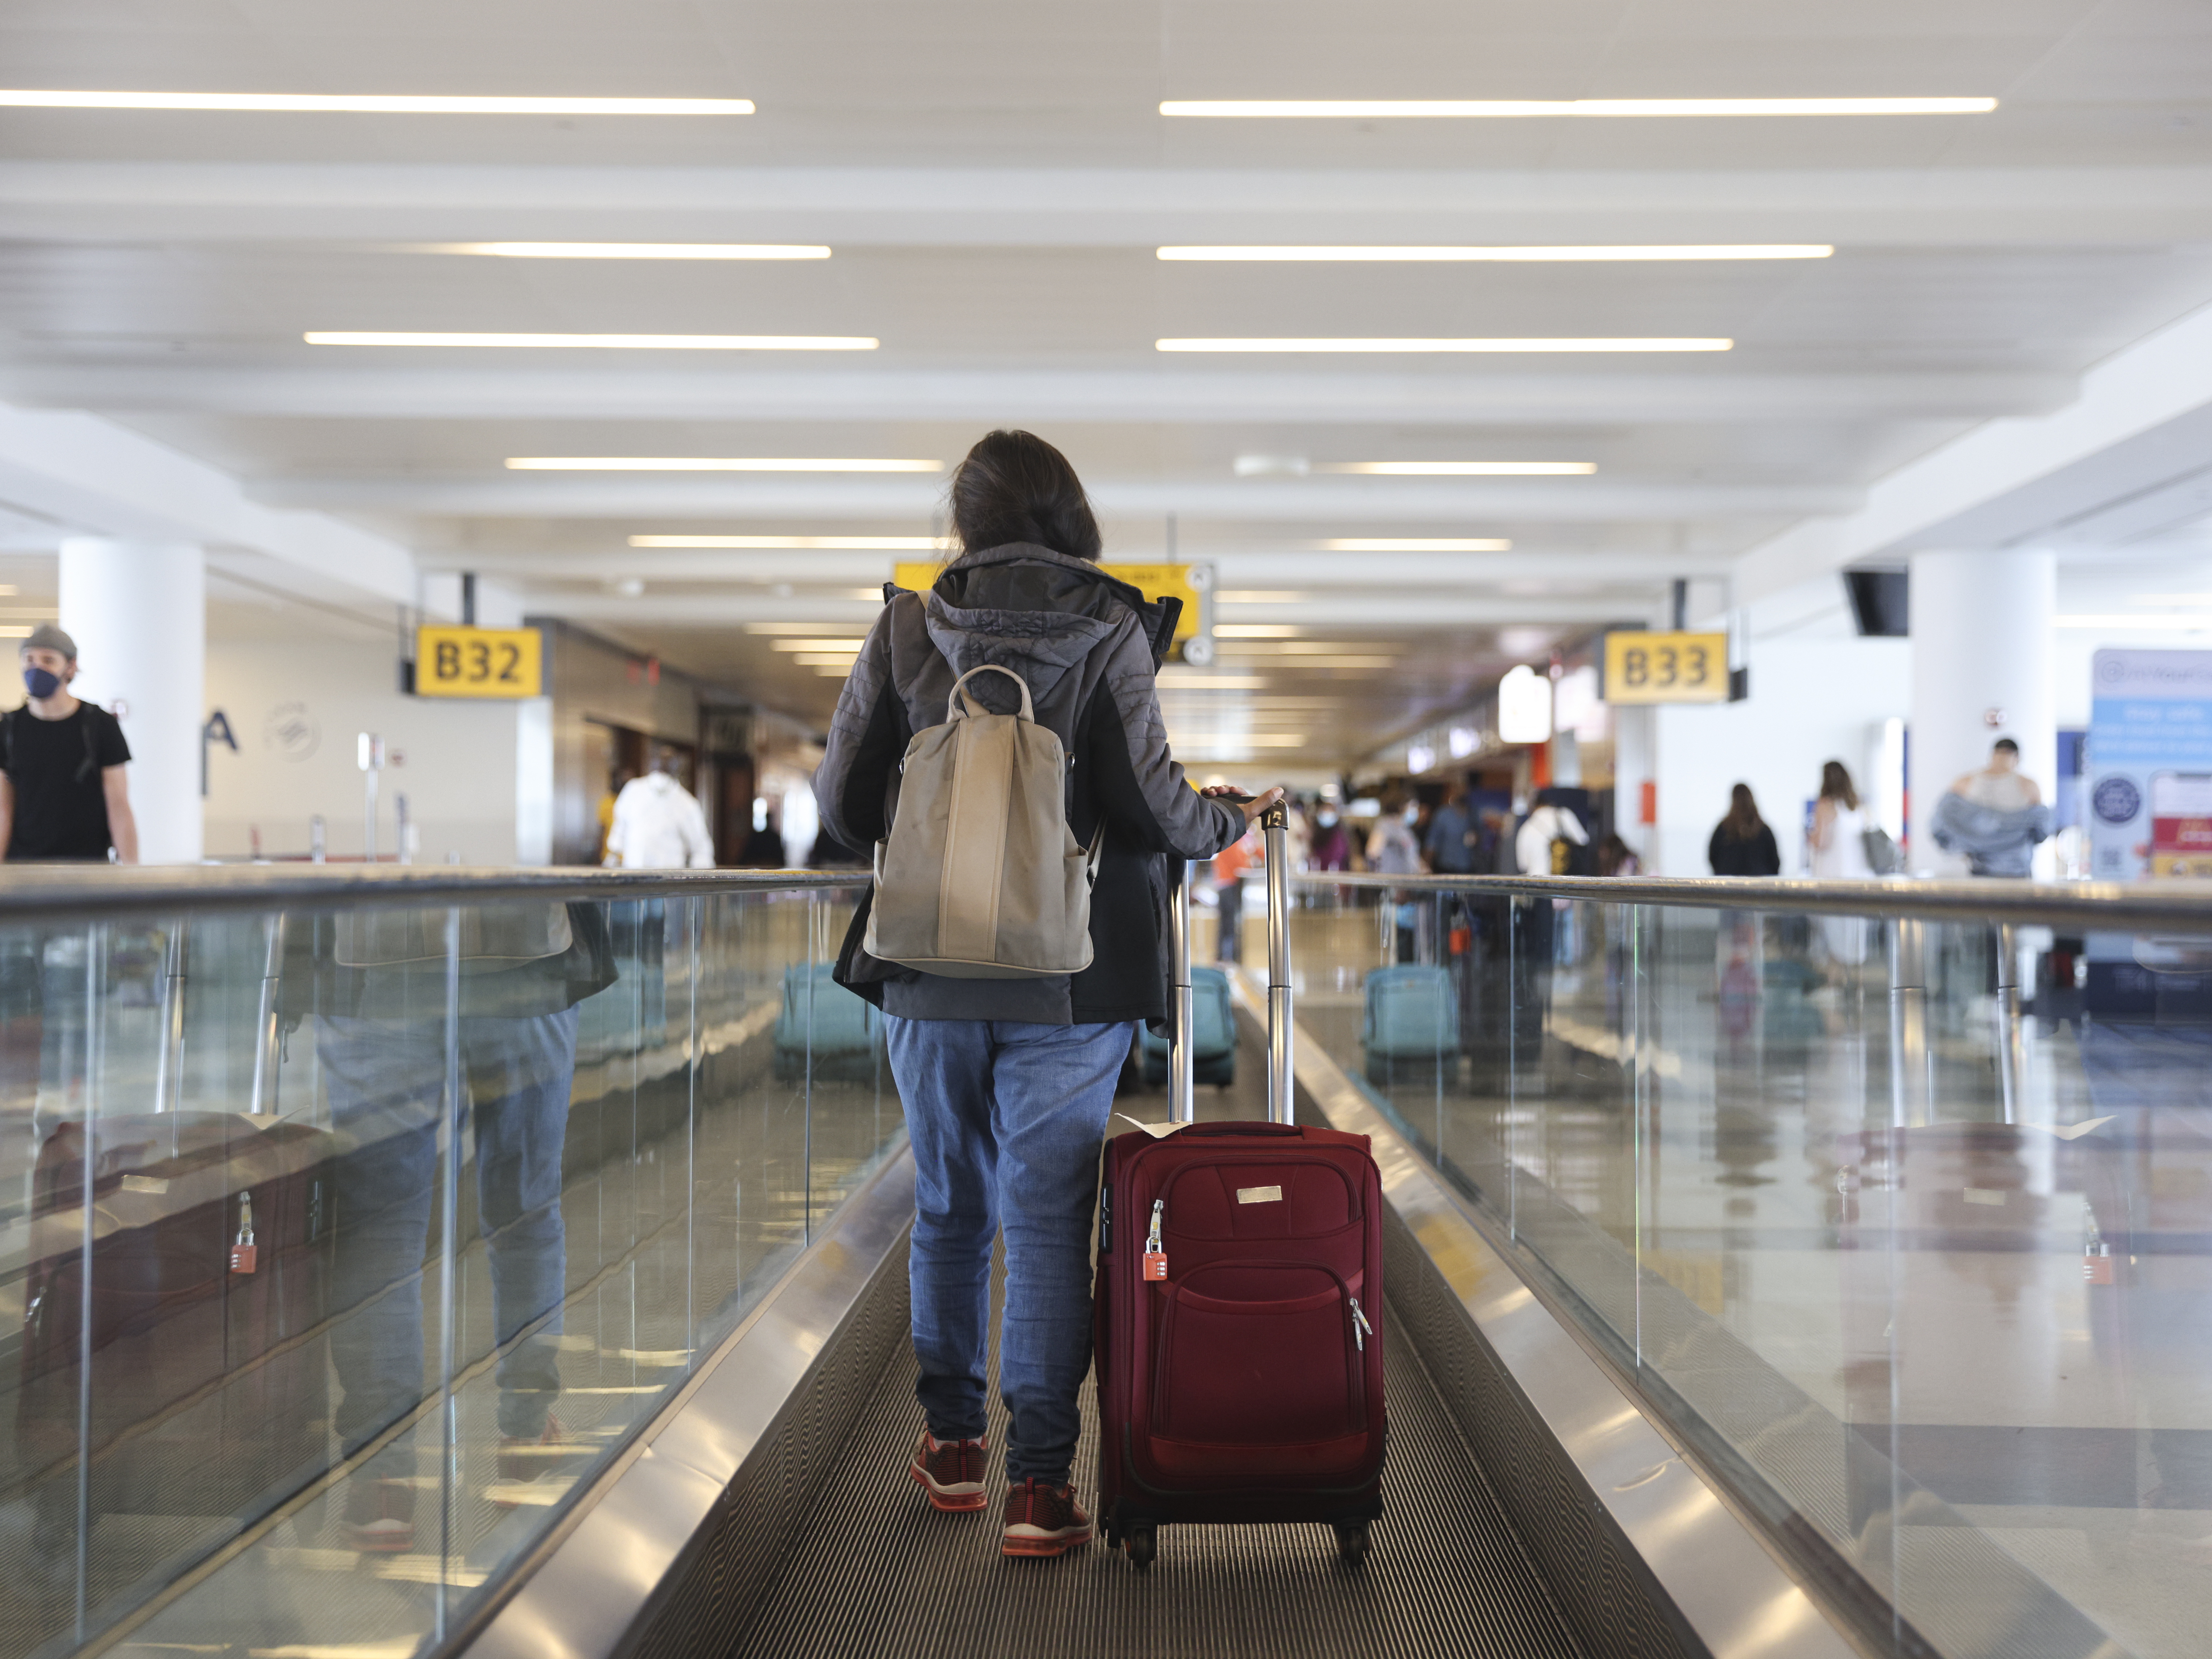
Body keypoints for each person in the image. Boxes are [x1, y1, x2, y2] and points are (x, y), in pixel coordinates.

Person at [812, 429, 1268, 1559]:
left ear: (965, 520)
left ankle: (954, 1445)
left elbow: (841, 804)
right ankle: (1039, 1487)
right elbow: (1158, 807)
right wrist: (1231, 816)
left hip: (924, 970)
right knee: (1051, 1223)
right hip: (1070, 978)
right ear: (1072, 516)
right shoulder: (1109, 629)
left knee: (952, 1208)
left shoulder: (907, 625)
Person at [0, 625, 138, 865]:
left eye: (48, 660)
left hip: (88, 869)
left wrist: (133, 876)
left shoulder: (100, 726)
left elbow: (119, 807)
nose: (36, 668)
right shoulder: (9, 728)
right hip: (23, 868)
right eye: (29, 659)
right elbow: (3, 809)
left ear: (71, 667)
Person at [1932, 737, 2052, 877]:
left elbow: (1940, 825)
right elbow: (2042, 830)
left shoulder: (1963, 783)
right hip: (2014, 871)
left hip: (1978, 868)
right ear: (2017, 758)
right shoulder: (2029, 786)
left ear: (1992, 755)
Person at [1807, 760, 1874, 965]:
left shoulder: (1826, 806)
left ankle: (1834, 984)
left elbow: (1821, 842)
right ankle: (1855, 987)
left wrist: (1809, 836)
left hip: (1833, 882)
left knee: (1834, 938)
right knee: (1855, 939)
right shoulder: (1858, 807)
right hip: (1860, 882)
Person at [603, 750, 713, 870]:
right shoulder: (633, 790)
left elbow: (701, 848)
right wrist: (612, 858)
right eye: (660, 761)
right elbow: (620, 828)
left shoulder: (687, 803)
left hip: (668, 880)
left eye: (669, 763)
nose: (663, 766)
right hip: (632, 874)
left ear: (677, 767)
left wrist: (696, 882)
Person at [1708, 784, 1781, 876]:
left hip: (1728, 886)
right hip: (1759, 885)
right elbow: (1775, 863)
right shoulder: (1764, 830)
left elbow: (1712, 857)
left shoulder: (1723, 829)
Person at [1515, 788, 1588, 880]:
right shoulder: (1563, 815)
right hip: (1563, 882)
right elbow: (1583, 840)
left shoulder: (1525, 828)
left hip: (1535, 883)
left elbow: (1523, 865)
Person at [1422, 778, 1481, 875]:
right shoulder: (1443, 814)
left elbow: (1481, 841)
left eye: (1464, 789)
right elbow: (1432, 843)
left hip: (1468, 869)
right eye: (1458, 789)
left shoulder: (1474, 815)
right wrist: (1427, 868)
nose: (1462, 793)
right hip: (1446, 868)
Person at [1307, 800, 1354, 872]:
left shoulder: (1340, 834)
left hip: (1336, 874)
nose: (1327, 815)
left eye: (1330, 812)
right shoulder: (1315, 833)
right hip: (1318, 874)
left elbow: (1340, 856)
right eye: (1324, 811)